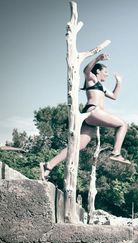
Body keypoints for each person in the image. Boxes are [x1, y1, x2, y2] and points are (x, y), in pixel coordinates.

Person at [40, 53, 130, 181]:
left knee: (78, 146)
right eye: (105, 72)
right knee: (123, 124)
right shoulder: (91, 78)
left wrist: (119, 83)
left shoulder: (101, 86)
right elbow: (85, 70)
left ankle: (48, 165)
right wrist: (98, 58)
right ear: (98, 71)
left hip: (92, 118)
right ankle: (116, 153)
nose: (107, 74)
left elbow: (114, 96)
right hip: (93, 111)